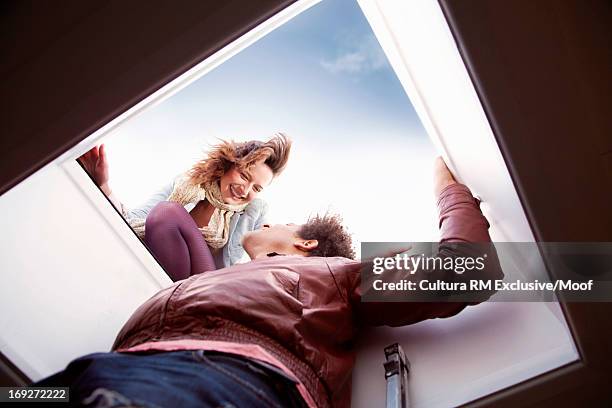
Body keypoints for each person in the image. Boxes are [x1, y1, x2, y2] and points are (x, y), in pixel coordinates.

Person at [37, 158, 503, 407]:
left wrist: (449, 187)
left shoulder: (334, 274)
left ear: (305, 246)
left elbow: (464, 266)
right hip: (94, 369)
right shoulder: (228, 275)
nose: (268, 218)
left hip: (208, 379)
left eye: (283, 219)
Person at [78, 134, 292, 281]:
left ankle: (174, 296)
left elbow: (244, 260)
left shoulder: (253, 210)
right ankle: (165, 294)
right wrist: (103, 184)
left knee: (167, 212)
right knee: (166, 211)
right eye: (244, 176)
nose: (245, 190)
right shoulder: (186, 184)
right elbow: (133, 219)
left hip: (205, 281)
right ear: (229, 164)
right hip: (162, 269)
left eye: (257, 187)